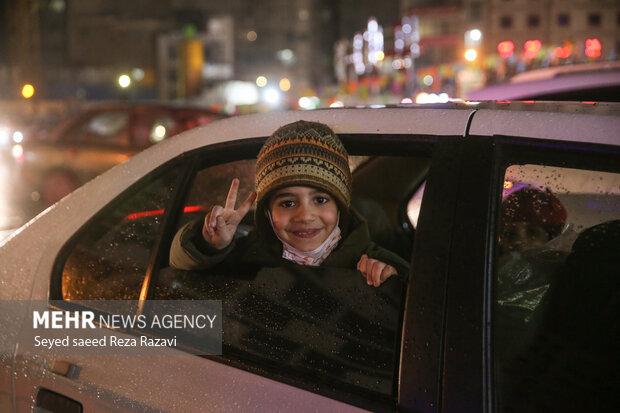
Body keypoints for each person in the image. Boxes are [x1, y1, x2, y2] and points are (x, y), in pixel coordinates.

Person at [169, 120, 409, 286]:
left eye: (320, 199)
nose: (305, 215)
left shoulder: (373, 263)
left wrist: (391, 280)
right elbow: (181, 266)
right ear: (267, 212)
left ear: (341, 206)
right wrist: (212, 246)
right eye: (287, 203)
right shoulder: (246, 258)